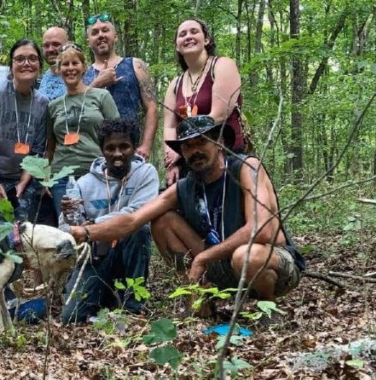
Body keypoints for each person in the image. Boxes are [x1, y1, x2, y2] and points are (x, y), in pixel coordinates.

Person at [68, 116, 305, 302]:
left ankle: (267, 307)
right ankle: (199, 297)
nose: (195, 151)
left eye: (202, 142)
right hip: (222, 264)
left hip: (269, 260)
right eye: (188, 146)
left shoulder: (246, 167)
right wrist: (86, 233)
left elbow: (262, 230)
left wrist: (202, 257)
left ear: (220, 142)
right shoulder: (185, 186)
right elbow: (132, 220)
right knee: (162, 221)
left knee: (246, 256)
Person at [59, 119, 158, 324]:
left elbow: (135, 213)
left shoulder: (146, 173)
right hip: (96, 258)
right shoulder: (84, 183)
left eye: (124, 147)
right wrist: (69, 217)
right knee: (71, 316)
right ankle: (104, 301)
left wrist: (92, 224)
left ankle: (133, 305)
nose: (117, 154)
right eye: (110, 148)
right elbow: (67, 228)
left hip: (127, 253)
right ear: (102, 150)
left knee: (139, 229)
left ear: (134, 147)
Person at [163, 18, 245, 185]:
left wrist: (183, 147)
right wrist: (172, 160)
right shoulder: (175, 84)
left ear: (206, 40)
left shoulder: (222, 65)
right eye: (182, 34)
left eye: (194, 32)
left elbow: (220, 114)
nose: (188, 37)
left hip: (226, 155)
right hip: (190, 160)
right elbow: (170, 126)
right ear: (177, 46)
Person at [0, 39, 49, 222]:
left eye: (32, 58)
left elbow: (37, 150)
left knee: (23, 231)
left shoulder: (42, 103)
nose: (26, 63)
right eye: (20, 59)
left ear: (40, 65)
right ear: (11, 66)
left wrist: (23, 183)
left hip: (24, 176)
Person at [47, 44, 120, 216]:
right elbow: (50, 146)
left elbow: (117, 136)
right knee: (69, 228)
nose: (70, 68)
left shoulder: (101, 96)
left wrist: (116, 169)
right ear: (58, 69)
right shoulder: (53, 106)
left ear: (84, 67)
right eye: (65, 64)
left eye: (75, 63)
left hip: (96, 172)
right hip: (62, 177)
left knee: (100, 224)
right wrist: (46, 179)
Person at [82, 14, 158, 161]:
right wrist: (97, 83)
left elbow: (152, 107)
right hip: (93, 154)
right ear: (88, 41)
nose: (101, 35)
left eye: (105, 30)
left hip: (129, 149)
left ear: (115, 36)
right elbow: (77, 108)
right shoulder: (82, 73)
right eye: (95, 32)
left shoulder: (135, 65)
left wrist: (146, 146)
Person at [39, 26, 69, 101]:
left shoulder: (80, 75)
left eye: (56, 44)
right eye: (46, 46)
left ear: (67, 46)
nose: (50, 49)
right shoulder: (42, 79)